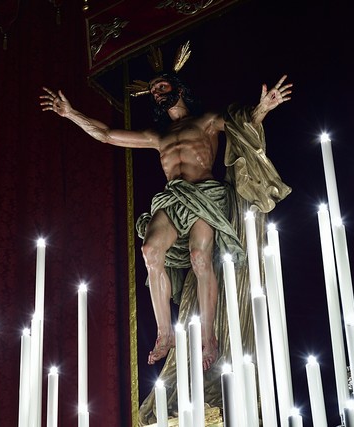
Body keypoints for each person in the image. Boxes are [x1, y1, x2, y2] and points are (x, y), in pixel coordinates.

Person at [39, 72, 292, 370]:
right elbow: (106, 134)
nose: (156, 92)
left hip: (205, 194)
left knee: (199, 257)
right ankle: (165, 333)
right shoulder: (158, 136)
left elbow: (242, 122)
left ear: (179, 88)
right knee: (150, 251)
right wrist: (71, 114)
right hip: (173, 196)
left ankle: (208, 338)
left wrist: (264, 107)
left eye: (161, 86)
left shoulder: (205, 121)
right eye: (152, 90)